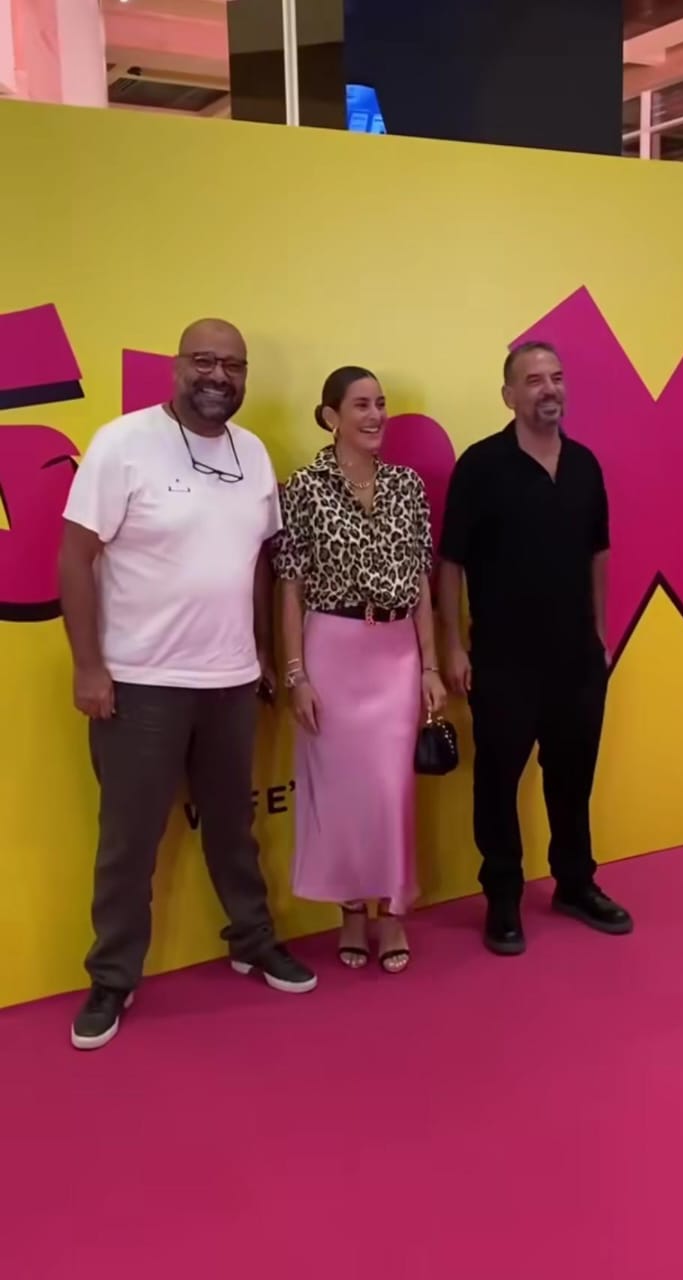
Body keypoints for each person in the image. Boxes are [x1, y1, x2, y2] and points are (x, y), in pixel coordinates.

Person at [59, 318, 317, 1051]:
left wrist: (261, 650)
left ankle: (252, 941)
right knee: (129, 842)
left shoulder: (252, 453)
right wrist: (89, 665)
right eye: (205, 361)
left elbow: (258, 561)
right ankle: (112, 977)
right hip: (140, 682)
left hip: (231, 681)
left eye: (233, 366)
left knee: (233, 827)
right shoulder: (123, 443)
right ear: (177, 367)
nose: (219, 377)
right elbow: (75, 557)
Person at [437, 341, 632, 955]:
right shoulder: (481, 466)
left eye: (557, 377)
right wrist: (453, 647)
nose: (549, 388)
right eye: (533, 380)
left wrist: (601, 635)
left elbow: (599, 551)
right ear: (509, 395)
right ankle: (502, 898)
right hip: (503, 659)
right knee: (497, 783)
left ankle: (575, 883)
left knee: (572, 779)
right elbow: (450, 562)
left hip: (577, 658)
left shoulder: (585, 465)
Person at [274, 366, 446, 973]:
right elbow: (289, 586)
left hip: (396, 655)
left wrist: (430, 666)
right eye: (361, 405)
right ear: (331, 416)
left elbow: (421, 580)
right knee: (342, 794)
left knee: (391, 791)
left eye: (381, 404)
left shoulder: (407, 485)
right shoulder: (303, 488)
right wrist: (296, 674)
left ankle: (392, 912)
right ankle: (350, 911)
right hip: (331, 651)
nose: (375, 416)